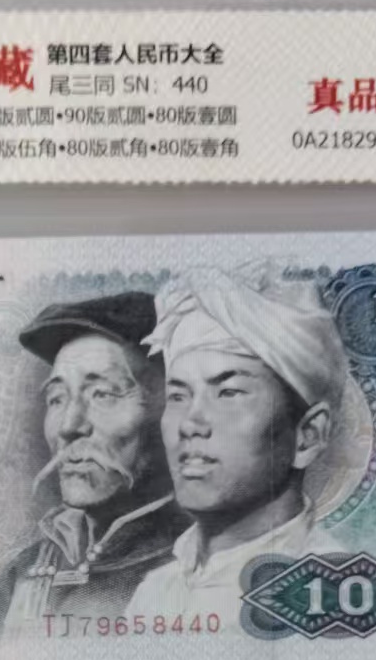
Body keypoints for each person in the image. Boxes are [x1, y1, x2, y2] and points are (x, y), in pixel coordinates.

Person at [124, 264, 349, 626]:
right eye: (178, 395)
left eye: (228, 392)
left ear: (308, 434)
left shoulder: (334, 592)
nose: (190, 424)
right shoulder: (154, 592)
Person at [0, 292, 185, 635]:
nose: (69, 426)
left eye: (102, 394)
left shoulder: (204, 563)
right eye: (57, 398)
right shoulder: (17, 575)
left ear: (174, 407)